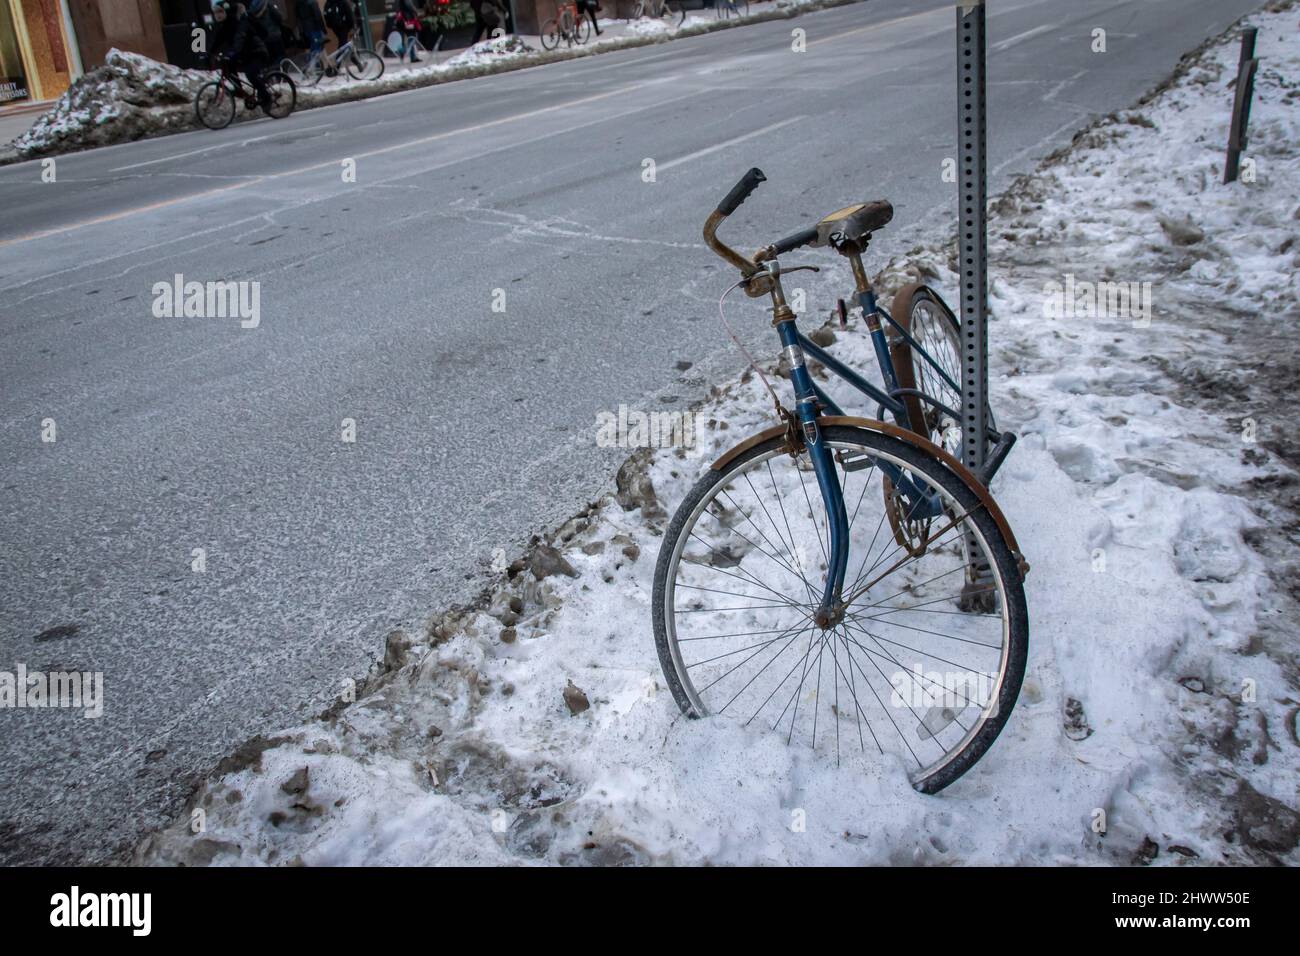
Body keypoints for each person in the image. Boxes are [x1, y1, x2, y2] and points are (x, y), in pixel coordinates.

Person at [211, 0, 272, 111]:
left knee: (251, 74)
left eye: (220, 12)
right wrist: (208, 54)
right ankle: (239, 90)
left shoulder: (240, 22)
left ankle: (267, 98)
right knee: (228, 67)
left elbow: (240, 39)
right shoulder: (224, 26)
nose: (217, 15)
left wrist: (232, 53)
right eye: (215, 13)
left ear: (227, 11)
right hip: (243, 55)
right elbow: (216, 42)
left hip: (256, 52)